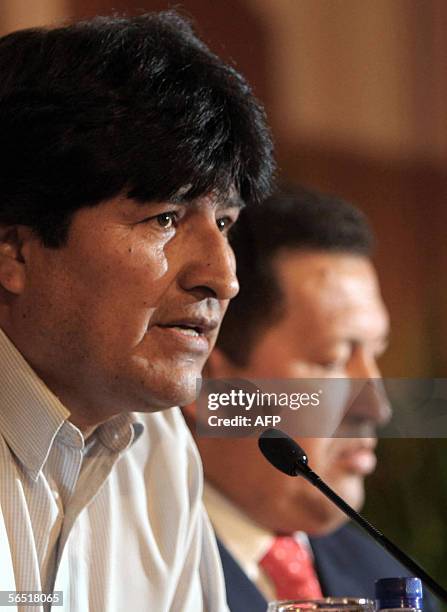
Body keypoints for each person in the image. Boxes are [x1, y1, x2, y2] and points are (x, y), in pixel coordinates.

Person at [0, 12, 274, 612]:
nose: (223, 278)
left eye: (224, 222)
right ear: (15, 250)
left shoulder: (160, 451)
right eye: (165, 218)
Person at [187, 186, 436, 611]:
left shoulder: (391, 582)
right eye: (334, 360)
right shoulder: (139, 571)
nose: (376, 406)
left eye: (376, 354)